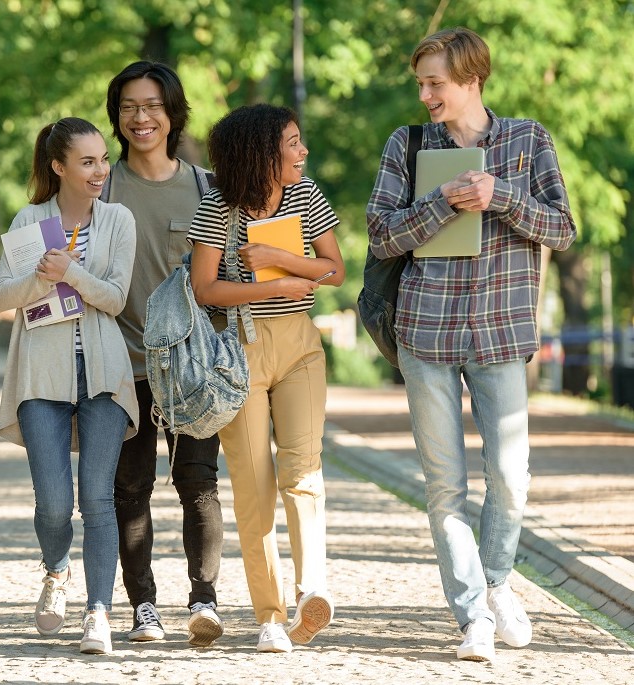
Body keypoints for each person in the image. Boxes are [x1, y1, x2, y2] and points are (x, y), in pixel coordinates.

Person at [365, 27, 576, 662]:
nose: (426, 94)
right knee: (444, 486)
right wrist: (441, 204)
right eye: (421, 83)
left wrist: (501, 197)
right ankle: (472, 617)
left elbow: (561, 229)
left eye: (436, 83)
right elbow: (379, 235)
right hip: (425, 333)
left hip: (502, 333)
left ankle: (496, 582)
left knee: (511, 478)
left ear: (471, 79)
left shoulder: (528, 140)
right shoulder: (407, 145)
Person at [188, 104, 344, 653]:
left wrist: (281, 258)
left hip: (300, 346)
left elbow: (334, 270)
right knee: (254, 488)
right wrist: (269, 287)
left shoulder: (306, 197)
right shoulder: (217, 208)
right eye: (293, 143)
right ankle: (270, 616)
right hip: (239, 352)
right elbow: (205, 289)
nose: (303, 152)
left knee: (304, 472)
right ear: (261, 153)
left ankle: (311, 591)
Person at [0, 117, 137, 655]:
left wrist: (72, 273)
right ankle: (56, 570)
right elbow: (2, 298)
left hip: (102, 371)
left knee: (97, 498)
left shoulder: (118, 219)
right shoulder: (30, 219)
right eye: (87, 161)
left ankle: (98, 610)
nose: (100, 170)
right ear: (59, 167)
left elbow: (117, 298)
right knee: (54, 503)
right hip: (41, 371)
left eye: (103, 160)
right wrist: (42, 276)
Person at [103, 61, 226, 646]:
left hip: (191, 371)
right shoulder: (98, 188)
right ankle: (142, 606)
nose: (140, 117)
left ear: (173, 113)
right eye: (129, 107)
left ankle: (204, 601)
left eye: (151, 105)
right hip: (121, 366)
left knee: (198, 482)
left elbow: (224, 275)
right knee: (129, 490)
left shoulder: (207, 188)